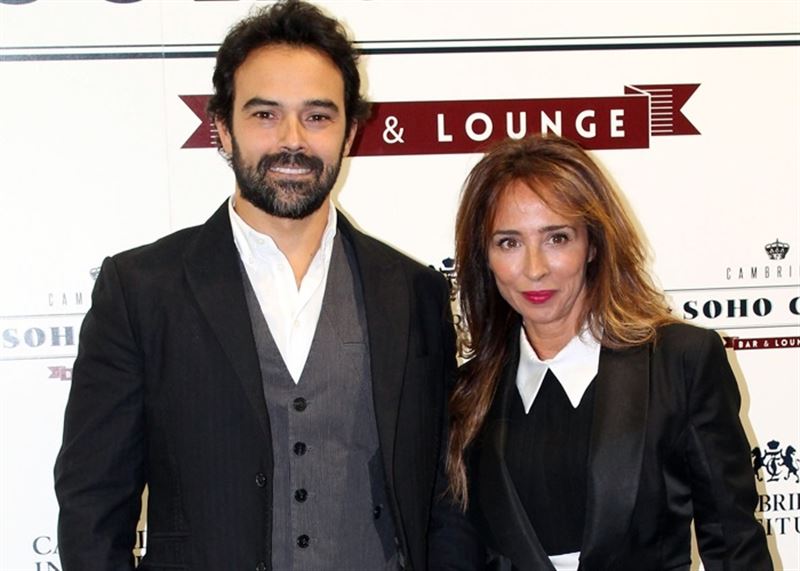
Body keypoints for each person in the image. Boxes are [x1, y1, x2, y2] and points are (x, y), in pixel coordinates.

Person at [54, 1, 459, 569]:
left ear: (349, 133)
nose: (292, 140)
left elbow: (446, 500)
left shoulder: (414, 293)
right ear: (222, 127)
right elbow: (92, 509)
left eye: (317, 116)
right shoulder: (140, 291)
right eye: (265, 115)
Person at [447, 134, 773, 570]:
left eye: (557, 238)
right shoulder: (469, 391)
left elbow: (734, 546)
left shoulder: (678, 361)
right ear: (484, 257)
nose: (534, 269)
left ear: (593, 244)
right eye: (509, 242)